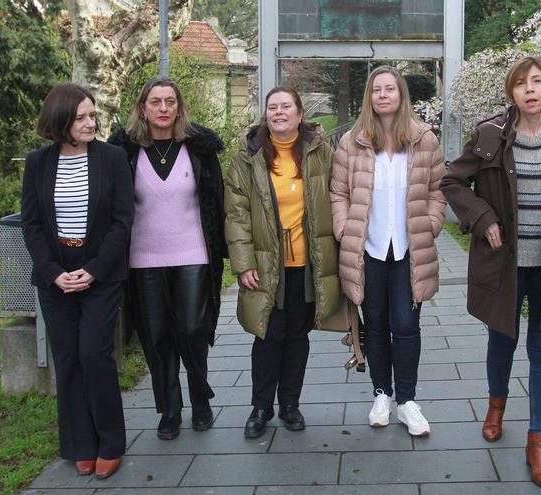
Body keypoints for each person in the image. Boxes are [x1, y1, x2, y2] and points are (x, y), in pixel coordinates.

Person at [441, 56, 541, 487]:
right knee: (501, 339)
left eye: (538, 81)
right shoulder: (491, 135)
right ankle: (496, 405)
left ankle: (538, 442)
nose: (530, 90)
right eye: (521, 84)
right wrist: (482, 218)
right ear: (512, 93)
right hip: (504, 264)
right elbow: (452, 181)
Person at [21, 83, 133, 479]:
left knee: (93, 355)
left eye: (92, 115)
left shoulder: (113, 158)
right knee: (66, 359)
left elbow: (123, 221)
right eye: (81, 117)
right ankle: (79, 444)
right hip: (56, 277)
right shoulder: (37, 163)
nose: (91, 123)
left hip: (100, 273)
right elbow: (31, 225)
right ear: (60, 122)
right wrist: (54, 273)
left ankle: (110, 442)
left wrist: (96, 269)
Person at [330, 66, 446, 437]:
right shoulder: (352, 141)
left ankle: (407, 401)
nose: (382, 95)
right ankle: (381, 393)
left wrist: (430, 224)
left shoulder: (424, 139)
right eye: (376, 89)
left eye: (389, 89)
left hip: (411, 249)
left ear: (401, 95)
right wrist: (344, 229)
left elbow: (438, 190)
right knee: (375, 325)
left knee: (407, 325)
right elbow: (339, 193)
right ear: (370, 97)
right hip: (369, 249)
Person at [108, 77, 226, 440]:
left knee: (192, 329)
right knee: (157, 337)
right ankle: (170, 410)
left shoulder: (200, 148)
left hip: (193, 253)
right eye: (155, 102)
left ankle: (200, 398)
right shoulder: (124, 151)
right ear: (142, 107)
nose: (163, 109)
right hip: (143, 258)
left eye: (170, 102)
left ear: (179, 106)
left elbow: (217, 202)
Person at [225, 86, 341, 439]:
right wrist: (243, 263)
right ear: (266, 115)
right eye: (272, 107)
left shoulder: (321, 153)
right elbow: (237, 214)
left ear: (300, 114)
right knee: (267, 334)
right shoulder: (247, 157)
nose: (279, 112)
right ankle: (261, 407)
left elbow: (339, 197)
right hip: (266, 263)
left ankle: (290, 404)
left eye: (286, 106)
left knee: (297, 335)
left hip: (309, 263)